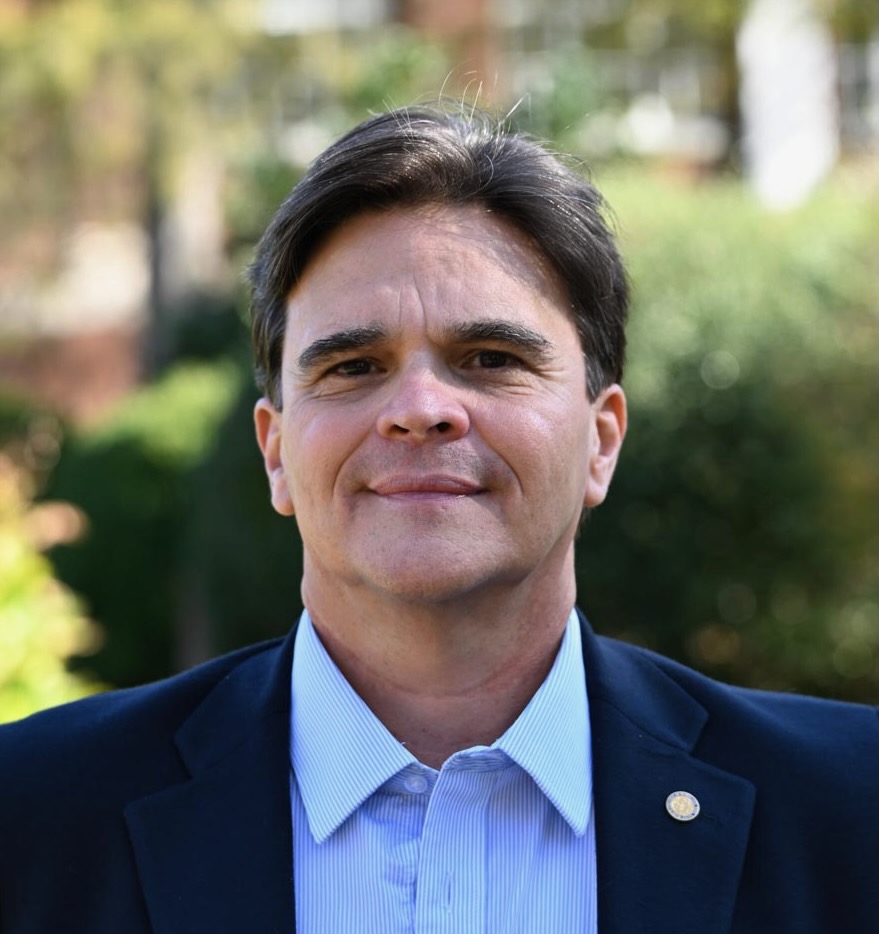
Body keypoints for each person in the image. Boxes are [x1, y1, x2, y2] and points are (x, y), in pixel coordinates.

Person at [0, 104, 875, 934]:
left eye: (489, 358)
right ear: (275, 452)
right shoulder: (33, 817)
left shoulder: (848, 810)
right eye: (351, 366)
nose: (419, 408)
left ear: (601, 439)